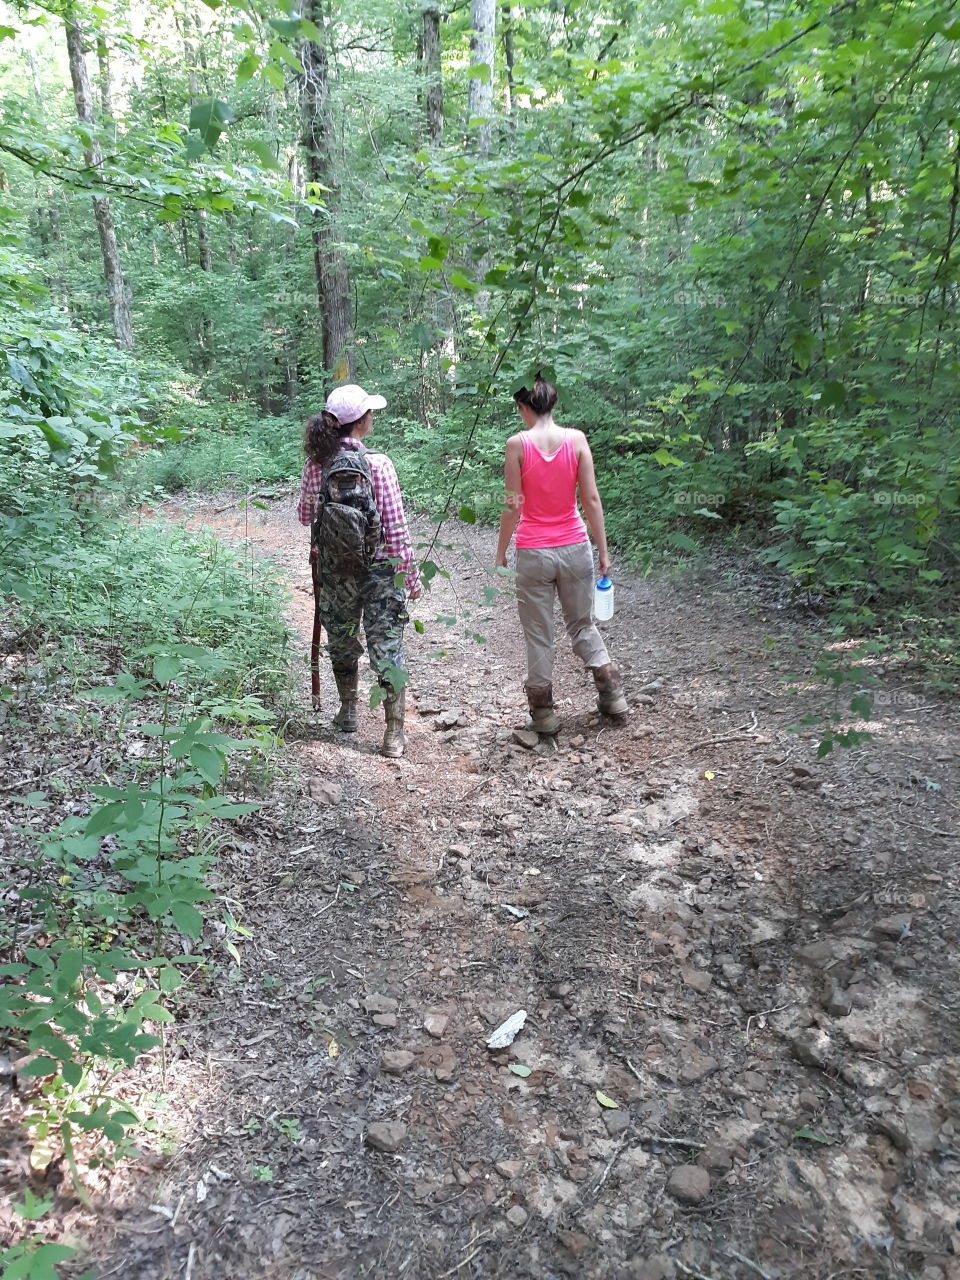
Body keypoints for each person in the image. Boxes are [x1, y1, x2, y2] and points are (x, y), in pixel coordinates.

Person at [495, 371, 628, 734]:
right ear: (552, 403)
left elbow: (513, 506)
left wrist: (501, 552)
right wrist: (602, 551)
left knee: (539, 634)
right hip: (575, 548)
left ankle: (543, 715)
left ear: (524, 406)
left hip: (534, 553)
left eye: (519, 408)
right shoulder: (577, 440)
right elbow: (592, 500)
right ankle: (612, 693)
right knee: (582, 625)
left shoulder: (516, 444)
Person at [298, 384, 422, 758]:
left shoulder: (316, 464)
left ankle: (348, 712)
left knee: (342, 639)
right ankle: (393, 736)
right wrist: (410, 576)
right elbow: (396, 528)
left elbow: (305, 516)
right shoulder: (380, 465)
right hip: (381, 569)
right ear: (363, 422)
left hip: (336, 570)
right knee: (387, 645)